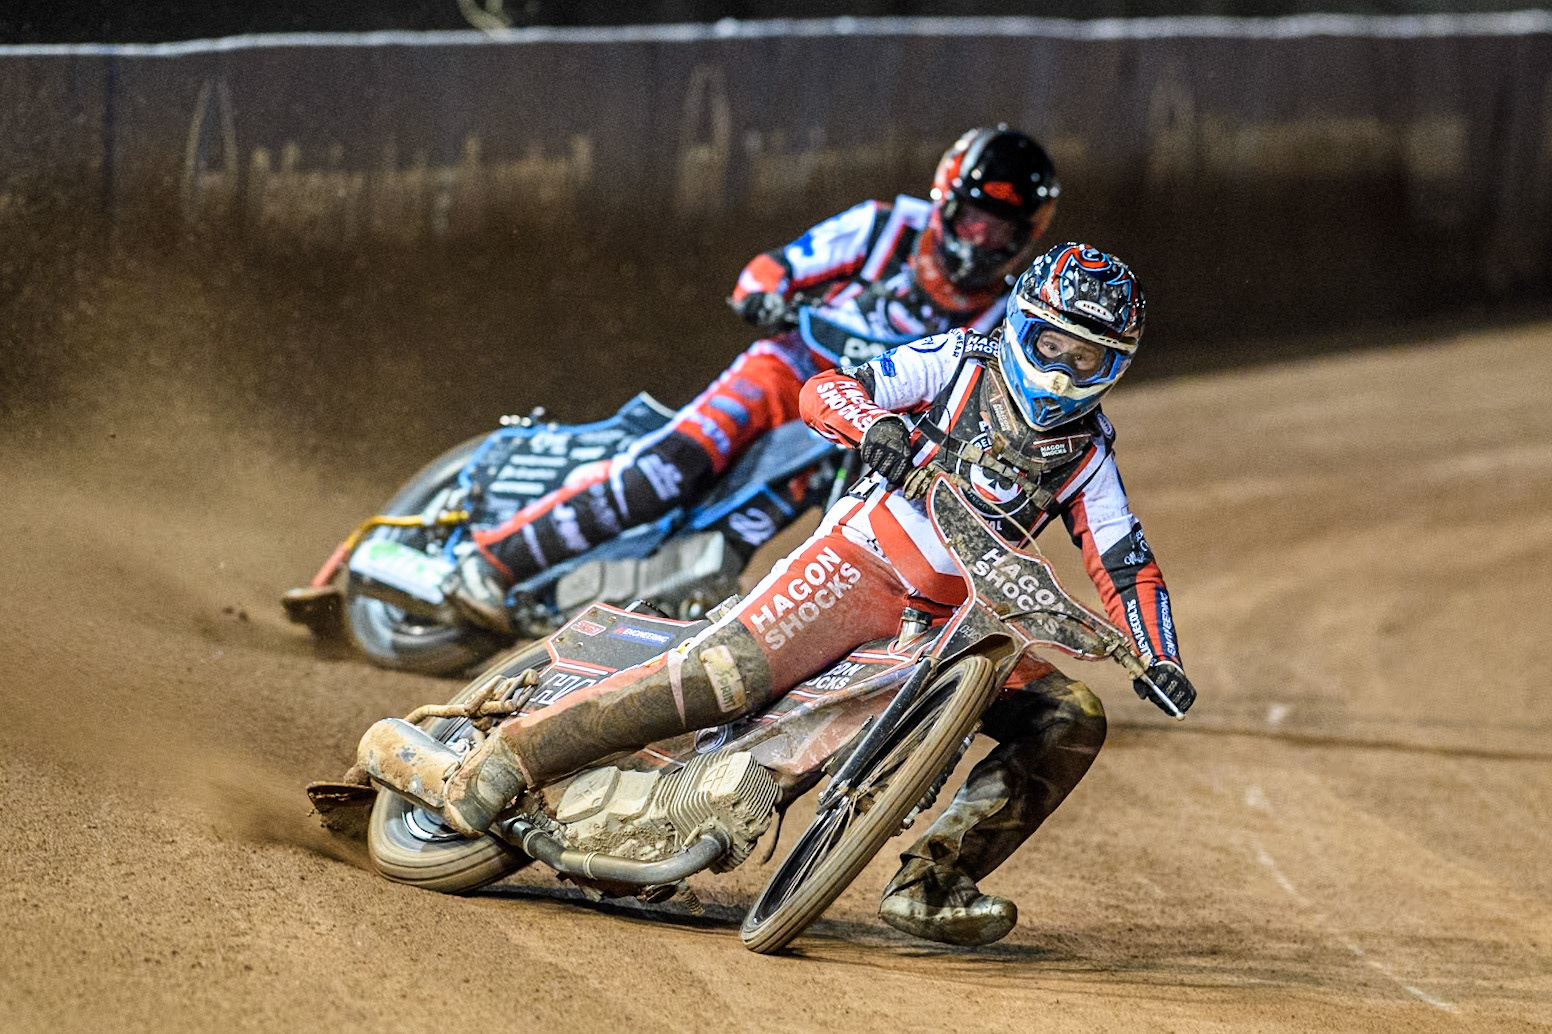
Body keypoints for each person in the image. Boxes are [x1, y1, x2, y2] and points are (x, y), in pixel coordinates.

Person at [356, 242, 1198, 948]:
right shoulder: (955, 363)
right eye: (1053, 345)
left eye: (1088, 359)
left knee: (1071, 716)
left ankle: (934, 881)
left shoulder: (1089, 454)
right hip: (855, 568)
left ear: (1113, 366)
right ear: (1022, 324)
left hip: (959, 626)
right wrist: (872, 424)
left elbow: (1128, 564)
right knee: (724, 679)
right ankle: (502, 762)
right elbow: (826, 388)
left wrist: (1158, 653)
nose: (1064, 371)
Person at [442, 126, 1060, 630]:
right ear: (947, 200)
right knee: (667, 470)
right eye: (975, 217)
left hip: (867, 422)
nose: (982, 239)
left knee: (858, 530)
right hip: (785, 371)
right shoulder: (884, 226)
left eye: (1001, 229)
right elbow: (774, 267)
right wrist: (765, 295)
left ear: (1025, 236)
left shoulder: (1007, 312)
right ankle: (492, 562)